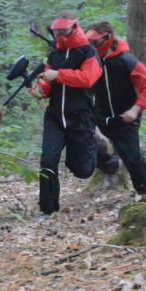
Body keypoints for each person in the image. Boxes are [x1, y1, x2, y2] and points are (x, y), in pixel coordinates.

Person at [32, 15, 106, 216]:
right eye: (56, 32)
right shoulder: (55, 52)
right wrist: (41, 90)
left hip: (80, 116)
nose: (59, 36)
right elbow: (48, 83)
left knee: (82, 170)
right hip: (55, 116)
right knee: (48, 160)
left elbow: (88, 79)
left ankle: (98, 146)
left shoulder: (88, 52)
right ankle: (48, 209)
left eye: (62, 32)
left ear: (74, 28)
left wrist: (59, 75)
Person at [85, 21, 146, 200]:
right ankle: (110, 165)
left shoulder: (126, 61)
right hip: (100, 117)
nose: (92, 47)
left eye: (95, 43)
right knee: (79, 143)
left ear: (108, 38)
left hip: (125, 118)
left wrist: (136, 109)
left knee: (132, 158)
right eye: (89, 43)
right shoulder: (90, 62)